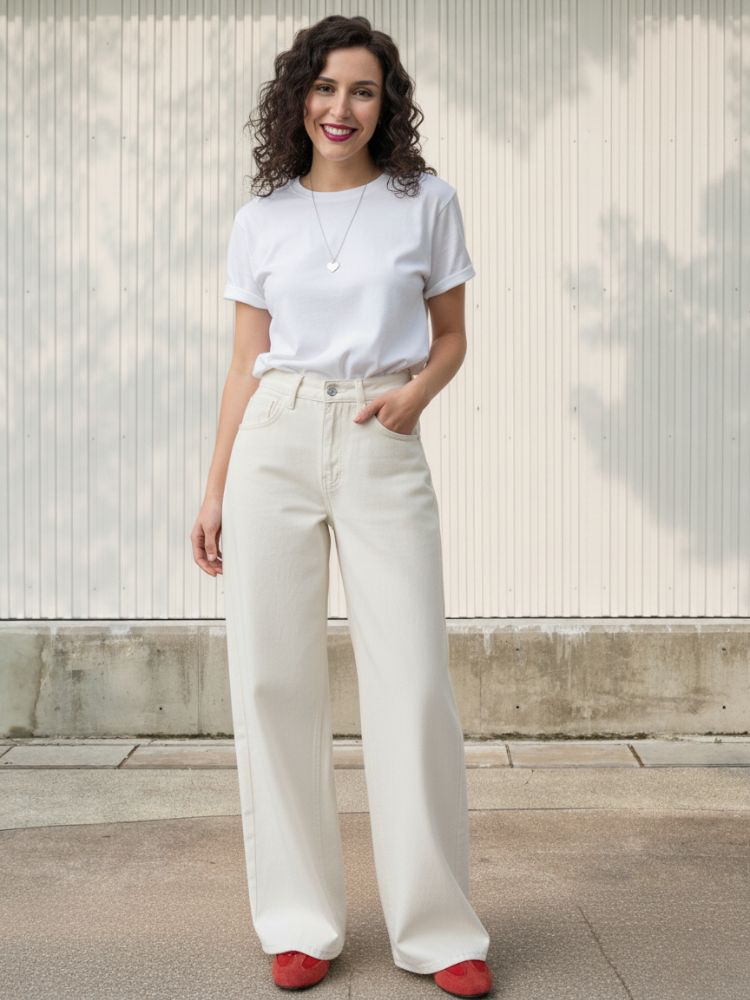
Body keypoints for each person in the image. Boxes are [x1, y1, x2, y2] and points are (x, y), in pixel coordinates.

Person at [191, 14, 493, 999]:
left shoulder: (425, 202)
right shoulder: (263, 216)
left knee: (409, 687)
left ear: (385, 102)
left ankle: (440, 928)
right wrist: (214, 486)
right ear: (298, 98)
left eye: (361, 90)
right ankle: (299, 923)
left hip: (380, 434)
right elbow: (245, 362)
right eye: (324, 89)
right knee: (274, 685)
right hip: (273, 441)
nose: (340, 108)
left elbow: (449, 336)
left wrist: (414, 397)